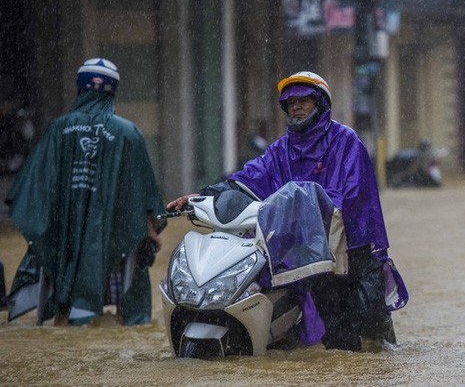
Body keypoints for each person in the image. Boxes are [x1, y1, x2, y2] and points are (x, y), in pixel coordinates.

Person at [167, 71, 407, 351]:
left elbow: (350, 198)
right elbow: (247, 178)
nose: (295, 106)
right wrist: (205, 194)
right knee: (336, 341)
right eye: (290, 102)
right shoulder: (281, 150)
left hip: (353, 252)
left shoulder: (347, 142)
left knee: (371, 335)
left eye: (303, 100)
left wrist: (307, 210)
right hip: (307, 257)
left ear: (319, 103)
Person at [5, 58, 167, 326]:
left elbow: (34, 190)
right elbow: (143, 193)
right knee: (126, 323)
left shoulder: (58, 129)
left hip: (66, 244)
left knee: (66, 317)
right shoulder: (128, 134)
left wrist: (49, 234)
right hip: (114, 240)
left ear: (79, 88)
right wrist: (150, 230)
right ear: (113, 91)